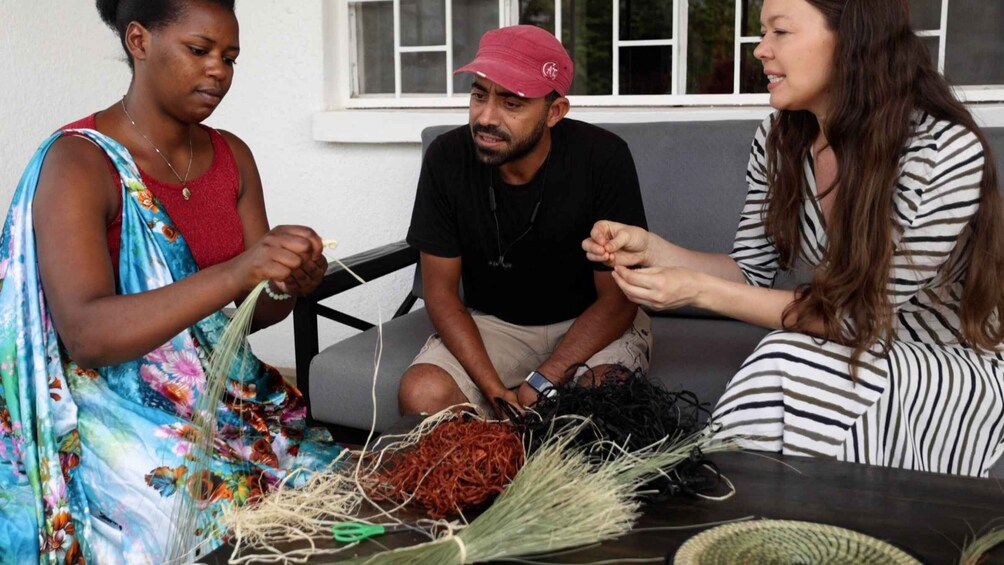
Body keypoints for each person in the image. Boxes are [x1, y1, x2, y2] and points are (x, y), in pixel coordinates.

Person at [584, 0, 1004, 476]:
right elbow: (749, 270)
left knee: (786, 355)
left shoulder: (942, 152)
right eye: (763, 33)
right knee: (792, 357)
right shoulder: (779, 139)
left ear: (851, 41)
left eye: (780, 31)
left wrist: (696, 289)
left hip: (944, 361)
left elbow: (855, 318)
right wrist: (652, 250)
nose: (760, 50)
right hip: (845, 352)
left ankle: (715, 502)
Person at [0, 1, 343, 562]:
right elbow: (87, 332)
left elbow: (255, 312)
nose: (219, 72)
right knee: (183, 509)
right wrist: (239, 268)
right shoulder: (78, 163)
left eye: (230, 58)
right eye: (199, 50)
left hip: (219, 395)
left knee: (309, 473)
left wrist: (288, 281)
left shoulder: (232, 157)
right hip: (113, 410)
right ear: (139, 40)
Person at [399, 25, 652, 418]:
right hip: (495, 325)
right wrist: (495, 391)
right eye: (479, 95)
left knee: (604, 400)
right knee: (422, 393)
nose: (486, 117)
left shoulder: (603, 159)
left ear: (554, 112)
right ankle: (495, 473)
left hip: (592, 324)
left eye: (511, 103)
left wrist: (544, 379)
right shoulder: (446, 158)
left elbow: (617, 300)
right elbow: (442, 292)